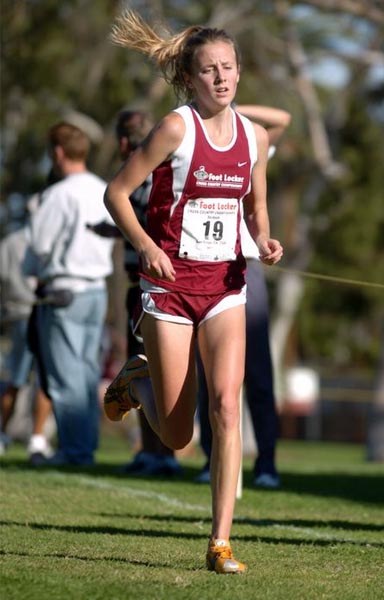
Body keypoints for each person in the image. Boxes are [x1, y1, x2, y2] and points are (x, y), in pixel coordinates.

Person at [103, 10, 283, 574]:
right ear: (191, 77)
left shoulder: (253, 138)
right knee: (179, 434)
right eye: (210, 71)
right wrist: (147, 245)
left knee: (227, 406)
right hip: (171, 288)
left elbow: (255, 210)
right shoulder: (176, 129)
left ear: (239, 72)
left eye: (229, 68)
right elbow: (117, 192)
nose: (223, 79)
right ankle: (139, 378)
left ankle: (220, 542)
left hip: (227, 286)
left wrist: (266, 240)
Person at [195, 104, 291, 489]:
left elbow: (281, 119)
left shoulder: (250, 138)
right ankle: (210, 459)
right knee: (210, 375)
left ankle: (266, 463)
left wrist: (229, 109)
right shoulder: (193, 136)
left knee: (259, 374)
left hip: (245, 270)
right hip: (206, 267)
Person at [90, 109, 182, 476]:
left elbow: (144, 219)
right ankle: (157, 452)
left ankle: (159, 453)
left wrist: (117, 230)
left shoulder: (143, 174)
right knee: (155, 372)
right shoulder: (163, 171)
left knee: (144, 372)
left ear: (125, 142)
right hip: (160, 287)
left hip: (149, 289)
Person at [23, 122, 115, 467]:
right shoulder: (102, 188)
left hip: (64, 290)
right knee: (87, 374)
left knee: (65, 377)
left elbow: (39, 245)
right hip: (96, 291)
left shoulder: (59, 194)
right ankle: (84, 447)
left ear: (58, 153)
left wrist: (29, 272)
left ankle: (74, 451)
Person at [0, 195, 54, 462]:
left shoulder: (9, 242)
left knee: (17, 378)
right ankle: (37, 437)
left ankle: (4, 434)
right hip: (36, 309)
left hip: (17, 312)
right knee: (40, 378)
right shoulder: (44, 239)